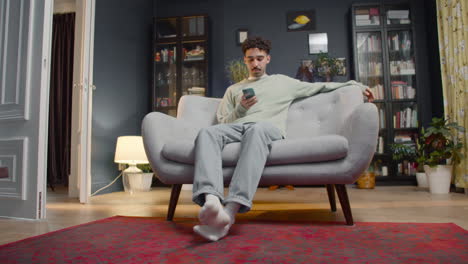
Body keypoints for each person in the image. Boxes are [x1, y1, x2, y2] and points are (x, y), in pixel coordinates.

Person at [192, 37, 374, 242]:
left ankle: (230, 211)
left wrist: (354, 85)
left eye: (260, 58)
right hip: (238, 127)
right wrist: (241, 108)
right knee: (207, 133)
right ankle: (212, 201)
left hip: (266, 128)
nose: (255, 64)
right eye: (250, 59)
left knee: (257, 130)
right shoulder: (233, 90)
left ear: (268, 59)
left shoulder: (283, 82)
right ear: (245, 61)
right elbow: (222, 121)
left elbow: (320, 87)